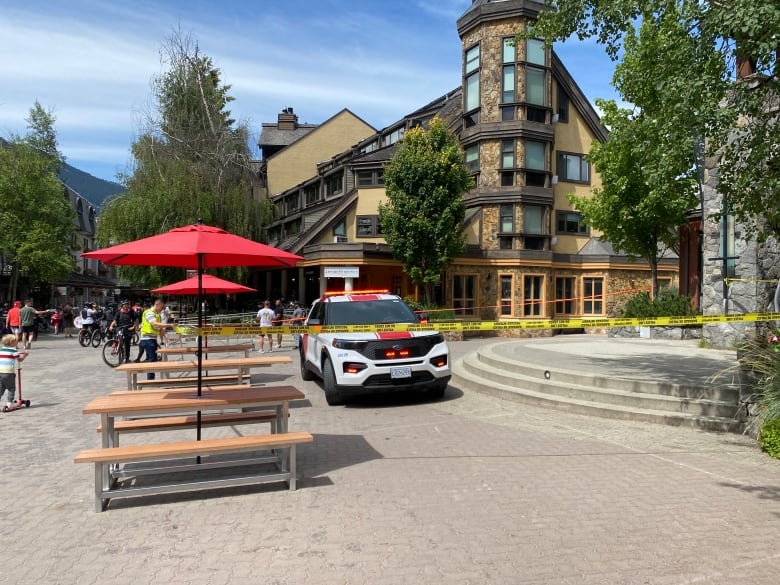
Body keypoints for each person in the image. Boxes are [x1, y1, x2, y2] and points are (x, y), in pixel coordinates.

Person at [137, 298, 175, 378]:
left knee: (153, 360)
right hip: (147, 339)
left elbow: (160, 329)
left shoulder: (157, 315)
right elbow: (155, 324)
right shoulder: (148, 313)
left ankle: (151, 378)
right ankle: (150, 380)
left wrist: (166, 338)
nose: (162, 309)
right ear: (157, 305)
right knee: (152, 360)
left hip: (152, 339)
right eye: (162, 307)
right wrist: (170, 325)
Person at [0, 333, 27, 410]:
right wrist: (25, 355)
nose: (17, 342)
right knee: (11, 388)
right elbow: (19, 359)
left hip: (0, 371)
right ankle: (9, 404)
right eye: (16, 341)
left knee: (1, 388)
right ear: (11, 342)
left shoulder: (1, 349)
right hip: (8, 372)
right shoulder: (13, 350)